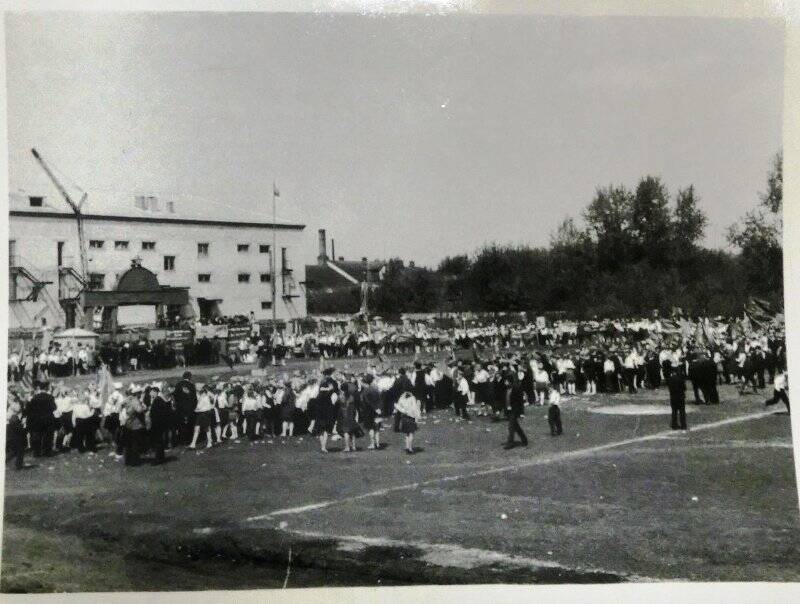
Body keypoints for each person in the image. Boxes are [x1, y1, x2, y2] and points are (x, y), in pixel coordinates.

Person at [26, 382, 56, 457]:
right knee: (48, 436)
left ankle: (36, 452)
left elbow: (30, 408)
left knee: (37, 436)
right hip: (48, 419)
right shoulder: (50, 397)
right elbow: (54, 407)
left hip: (37, 419)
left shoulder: (35, 397)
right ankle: (47, 452)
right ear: (46, 388)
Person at [148, 384, 173, 464]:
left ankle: (158, 459)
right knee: (160, 441)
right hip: (163, 423)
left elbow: (153, 413)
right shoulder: (165, 400)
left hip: (157, 423)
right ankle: (161, 457)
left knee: (158, 441)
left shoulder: (158, 400)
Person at [503, 373, 528, 449]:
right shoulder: (506, 389)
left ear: (509, 381)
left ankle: (510, 443)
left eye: (506, 381)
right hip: (509, 410)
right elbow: (506, 400)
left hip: (515, 410)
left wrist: (522, 413)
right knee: (516, 426)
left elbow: (520, 401)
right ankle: (524, 440)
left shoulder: (516, 388)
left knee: (511, 427)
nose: (505, 382)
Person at [667, 361, 688, 430]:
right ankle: (683, 425)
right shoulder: (680, 379)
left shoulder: (670, 379)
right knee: (682, 411)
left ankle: (674, 425)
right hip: (681, 396)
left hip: (673, 397)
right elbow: (684, 388)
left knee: (674, 412)